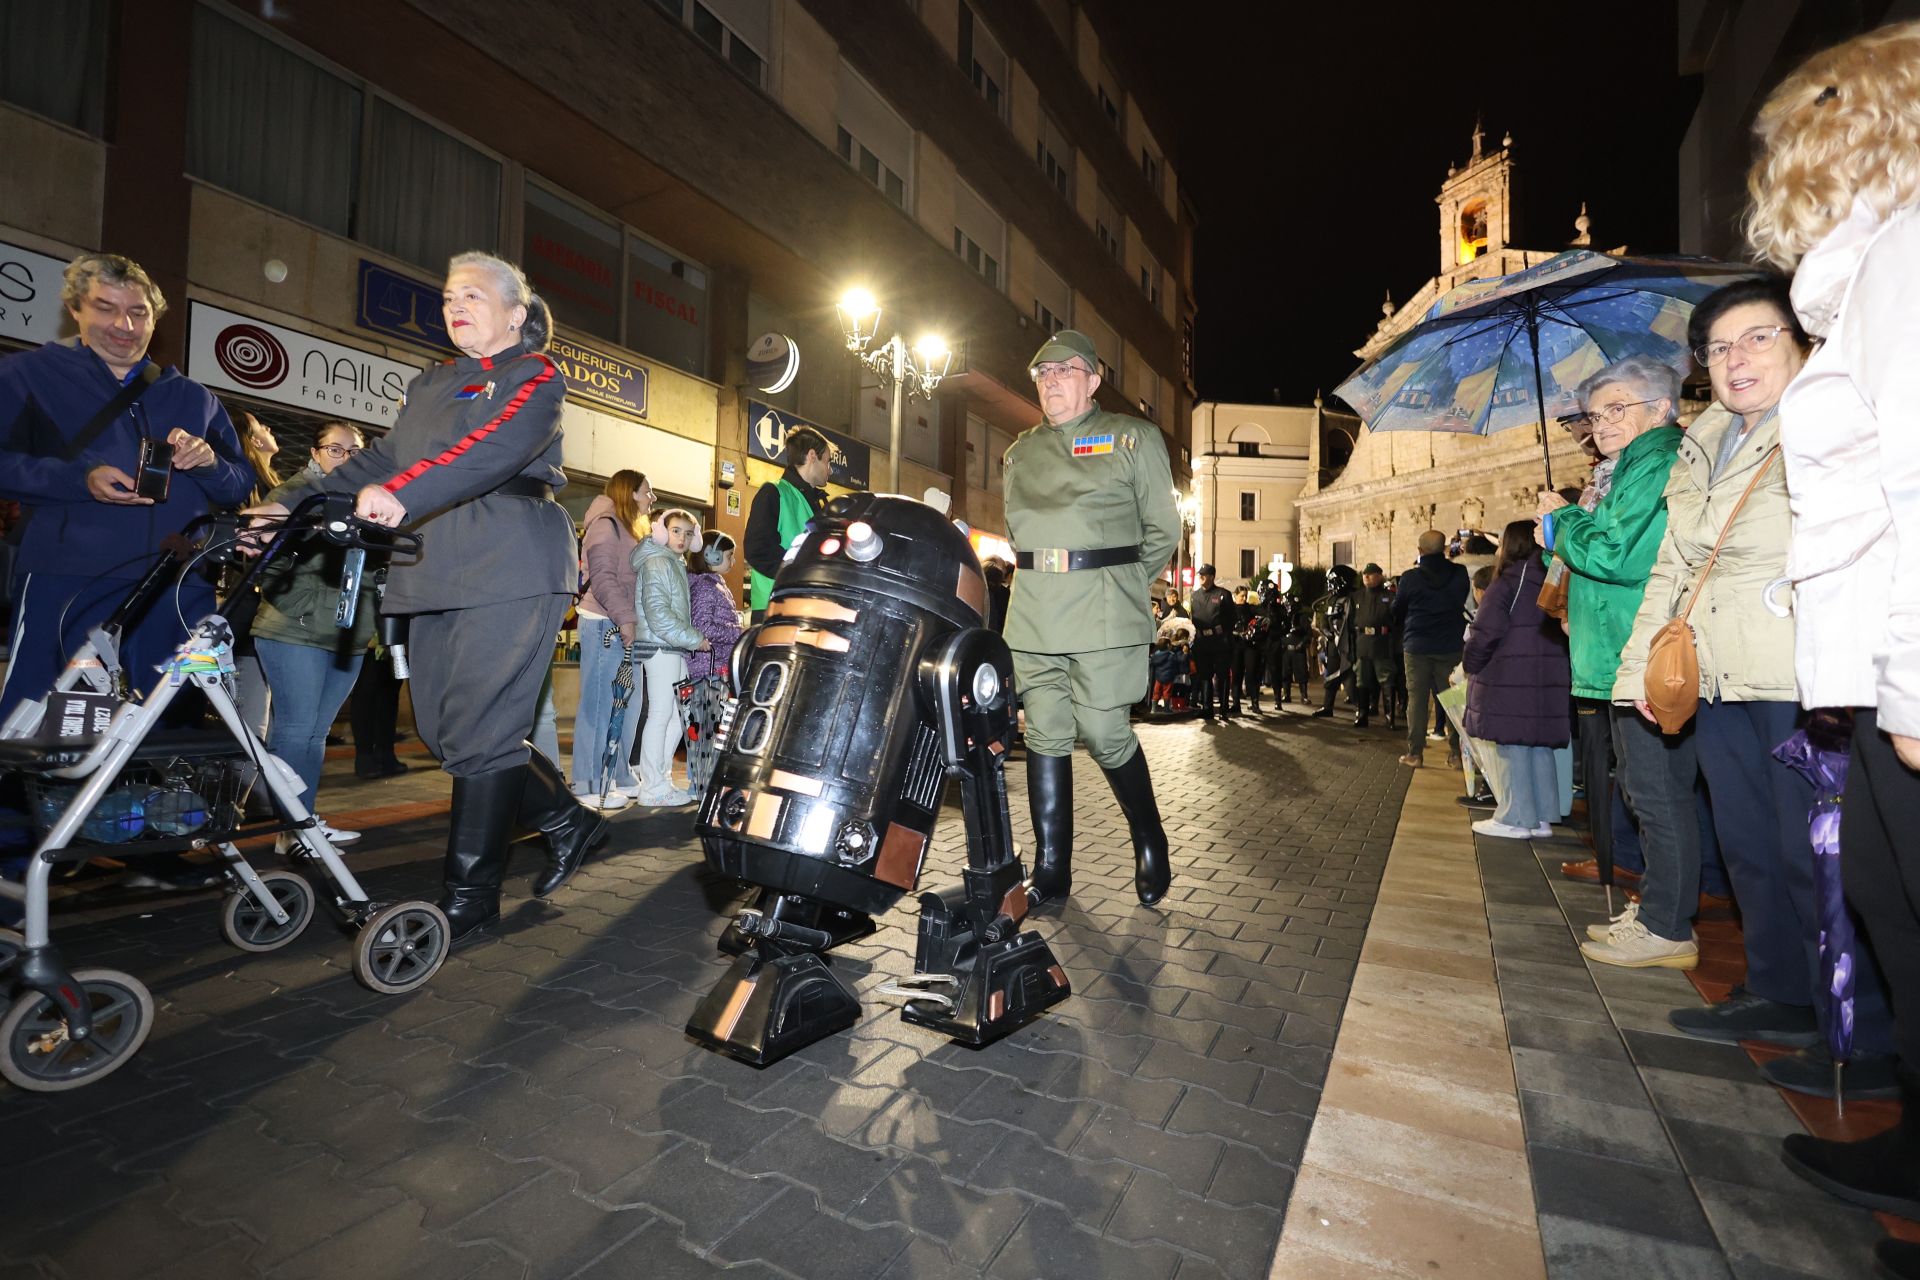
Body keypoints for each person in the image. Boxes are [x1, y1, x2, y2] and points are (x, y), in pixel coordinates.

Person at [248, 251, 604, 939]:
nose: (455, 305)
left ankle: (470, 897)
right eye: (447, 297)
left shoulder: (535, 376)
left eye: (472, 294)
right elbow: (378, 460)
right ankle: (568, 820)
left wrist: (402, 494)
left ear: (515, 313)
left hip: (511, 559)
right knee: (446, 733)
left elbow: (492, 449)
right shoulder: (432, 383)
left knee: (485, 729)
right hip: (432, 563)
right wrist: (286, 503)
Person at [1613, 277, 1897, 1090]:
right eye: (1719, 348)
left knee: (1820, 855)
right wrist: (1639, 668)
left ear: (1800, 341)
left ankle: (1858, 1026)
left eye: (1757, 338)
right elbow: (1675, 560)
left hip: (1802, 673)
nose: (1736, 360)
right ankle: (1778, 990)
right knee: (1751, 848)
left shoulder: (1831, 420)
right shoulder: (1706, 438)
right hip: (1716, 675)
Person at [1739, 25, 1920, 1252]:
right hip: (1867, 667)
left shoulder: (1904, 260)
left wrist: (1908, 680)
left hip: (1901, 670)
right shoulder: (1862, 278)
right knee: (1882, 892)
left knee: (1892, 891)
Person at [0, 254, 253, 893]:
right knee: (48, 712)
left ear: (154, 319)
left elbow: (238, 485)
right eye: (106, 309)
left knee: (167, 718)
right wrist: (75, 479)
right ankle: (15, 852)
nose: (123, 324)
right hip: (68, 577)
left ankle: (150, 847)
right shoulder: (28, 375)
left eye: (137, 312)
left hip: (173, 585)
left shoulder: (192, 396)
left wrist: (205, 462)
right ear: (77, 311)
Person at [1003, 328, 1179, 907]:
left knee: (1105, 731)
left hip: (1102, 609)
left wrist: (1119, 586)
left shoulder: (1133, 438)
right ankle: (1053, 869)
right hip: (1033, 611)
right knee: (1046, 735)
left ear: (1094, 380)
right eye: (1043, 374)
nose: (1051, 381)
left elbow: (1163, 531)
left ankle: (1149, 837)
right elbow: (1016, 533)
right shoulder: (1020, 451)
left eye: (1065, 370)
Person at [1534, 356, 1689, 968]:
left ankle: (1667, 925)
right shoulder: (1629, 464)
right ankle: (1658, 908)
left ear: (1660, 408)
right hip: (1619, 647)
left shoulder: (1654, 459)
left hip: (1639, 646)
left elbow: (1616, 554)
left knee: (1657, 794)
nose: (1601, 424)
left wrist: (1564, 513)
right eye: (1596, 414)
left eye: (1616, 409)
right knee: (1645, 790)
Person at [252, 423, 375, 849]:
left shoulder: (368, 503)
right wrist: (305, 605)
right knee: (296, 728)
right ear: (315, 453)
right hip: (294, 629)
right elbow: (265, 559)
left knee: (316, 732)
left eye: (355, 451)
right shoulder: (297, 493)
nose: (346, 457)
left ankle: (303, 821)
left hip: (347, 633)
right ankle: (290, 828)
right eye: (336, 449)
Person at [1462, 521, 1570, 839]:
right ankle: (1542, 816)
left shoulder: (1509, 580)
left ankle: (1515, 817)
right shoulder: (1555, 575)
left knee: (1513, 745)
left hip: (1511, 675)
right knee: (1538, 745)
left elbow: (1485, 631)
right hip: (1548, 676)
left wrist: (1471, 662)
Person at [572, 469, 653, 806]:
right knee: (600, 704)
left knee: (629, 704)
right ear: (630, 492)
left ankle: (618, 773)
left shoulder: (629, 529)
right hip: (605, 624)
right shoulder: (605, 525)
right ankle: (588, 782)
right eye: (648, 491)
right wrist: (625, 620)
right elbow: (604, 579)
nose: (652, 498)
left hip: (623, 625)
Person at [629, 507, 709, 806]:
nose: (682, 538)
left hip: (671, 646)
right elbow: (658, 613)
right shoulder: (658, 562)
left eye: (688, 534)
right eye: (675, 531)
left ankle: (659, 780)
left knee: (680, 714)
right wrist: (694, 639)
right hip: (660, 645)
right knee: (663, 713)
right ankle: (652, 786)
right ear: (661, 531)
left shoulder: (671, 562)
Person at [1391, 530, 1470, 766]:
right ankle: (1456, 753)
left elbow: (1397, 611)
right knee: (1453, 697)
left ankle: (1415, 753)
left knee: (1417, 699)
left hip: (1417, 646)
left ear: (1420, 550)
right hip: (1450, 644)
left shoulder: (1409, 578)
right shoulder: (1459, 573)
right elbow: (1461, 599)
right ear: (1444, 548)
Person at [744, 425, 829, 623]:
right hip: (776, 607)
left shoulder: (815, 503)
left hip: (805, 607)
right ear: (811, 456)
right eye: (827, 461)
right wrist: (799, 571)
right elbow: (757, 550)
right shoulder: (773, 493)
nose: (830, 470)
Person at [685, 532, 741, 793]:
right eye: (729, 555)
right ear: (711, 555)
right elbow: (702, 626)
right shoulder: (706, 586)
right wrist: (739, 631)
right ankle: (701, 787)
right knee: (707, 730)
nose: (733, 561)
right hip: (707, 668)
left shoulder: (712, 583)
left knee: (711, 729)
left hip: (715, 666)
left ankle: (705, 785)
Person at [1187, 564, 1236, 720]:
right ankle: (1207, 709)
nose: (1201, 576)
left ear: (1212, 576)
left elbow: (1232, 618)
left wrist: (1224, 635)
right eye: (1199, 574)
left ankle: (1223, 709)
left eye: (1204, 574)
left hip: (1220, 641)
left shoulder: (1223, 594)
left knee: (1222, 675)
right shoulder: (1194, 595)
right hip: (1202, 641)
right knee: (1204, 675)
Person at [1310, 565, 1358, 718]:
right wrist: (1325, 632)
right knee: (1331, 676)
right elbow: (1324, 620)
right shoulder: (1332, 599)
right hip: (1332, 645)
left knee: (1348, 676)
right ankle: (1327, 706)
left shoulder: (1353, 598)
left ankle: (1360, 708)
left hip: (1347, 643)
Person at [1350, 563, 1394, 727]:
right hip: (1363, 642)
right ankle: (1362, 714)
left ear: (1380, 576)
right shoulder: (1357, 597)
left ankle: (1390, 716)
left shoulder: (1389, 596)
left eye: (1371, 574)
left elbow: (1395, 620)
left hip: (1381, 642)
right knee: (1362, 680)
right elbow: (1350, 621)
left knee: (1386, 679)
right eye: (1364, 574)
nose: (1366, 577)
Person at [1234, 586, 1269, 714]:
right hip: (1236, 645)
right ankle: (1236, 704)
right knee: (1237, 675)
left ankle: (1255, 703)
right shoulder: (1231, 609)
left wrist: (1254, 628)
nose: (1244, 598)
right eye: (1241, 595)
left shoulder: (1250, 608)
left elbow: (1264, 616)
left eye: (1245, 595)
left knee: (1252, 674)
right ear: (1235, 595)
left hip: (1250, 645)